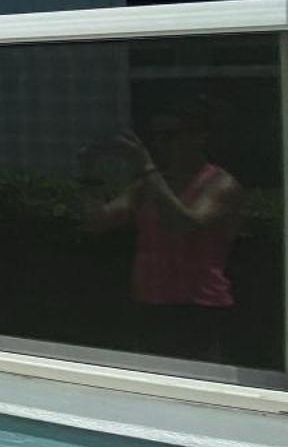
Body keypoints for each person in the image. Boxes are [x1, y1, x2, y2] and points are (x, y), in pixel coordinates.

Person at [84, 98, 243, 365]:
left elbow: (186, 224)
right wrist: (88, 174)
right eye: (155, 137)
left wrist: (147, 168)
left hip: (198, 308)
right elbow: (98, 222)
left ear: (199, 136)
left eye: (170, 136)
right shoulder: (149, 185)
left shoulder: (220, 184)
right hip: (150, 303)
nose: (160, 145)